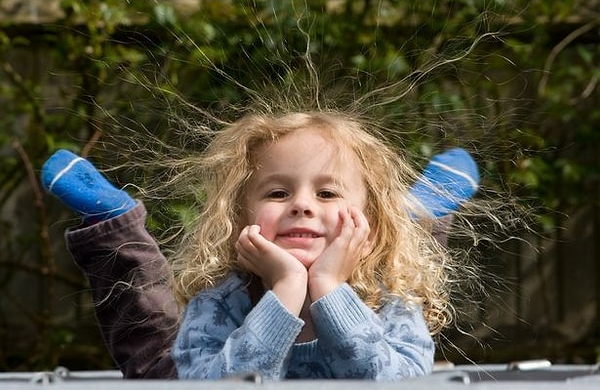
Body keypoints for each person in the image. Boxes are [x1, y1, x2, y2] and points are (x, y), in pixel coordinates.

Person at [41, 114, 479, 380]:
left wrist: (329, 286)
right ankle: (113, 222)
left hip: (378, 252)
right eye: (276, 194)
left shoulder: (392, 305)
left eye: (327, 194)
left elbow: (393, 383)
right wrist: (286, 291)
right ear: (240, 220)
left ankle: (419, 211)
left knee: (403, 255)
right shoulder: (219, 304)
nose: (303, 205)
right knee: (158, 369)